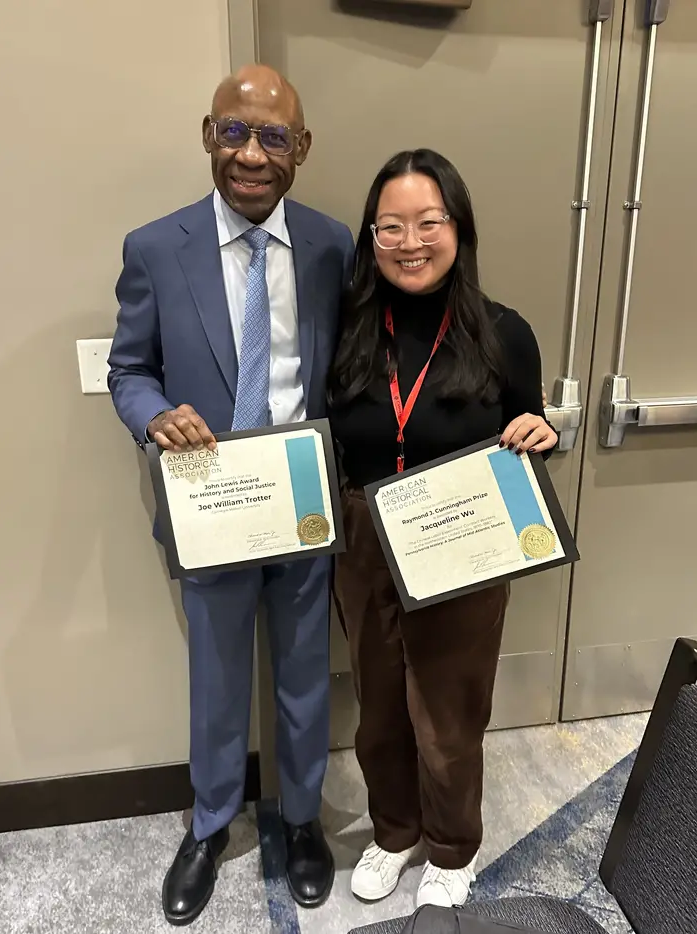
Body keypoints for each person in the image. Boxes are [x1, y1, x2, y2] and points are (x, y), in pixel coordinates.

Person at [108, 64, 353, 925]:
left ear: (302, 149)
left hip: (301, 503)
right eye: (232, 132)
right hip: (211, 507)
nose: (251, 154)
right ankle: (211, 826)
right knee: (216, 679)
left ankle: (301, 821)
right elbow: (127, 368)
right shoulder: (155, 247)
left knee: (302, 678)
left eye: (273, 136)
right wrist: (153, 416)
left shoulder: (333, 246)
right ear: (207, 135)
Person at [328, 149, 558, 909]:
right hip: (365, 536)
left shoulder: (503, 331)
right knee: (379, 704)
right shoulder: (350, 328)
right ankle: (396, 832)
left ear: (458, 228)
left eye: (428, 222)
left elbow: (533, 422)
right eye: (389, 226)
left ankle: (452, 849)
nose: (409, 241)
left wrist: (540, 430)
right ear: (371, 237)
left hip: (461, 535)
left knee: (449, 712)